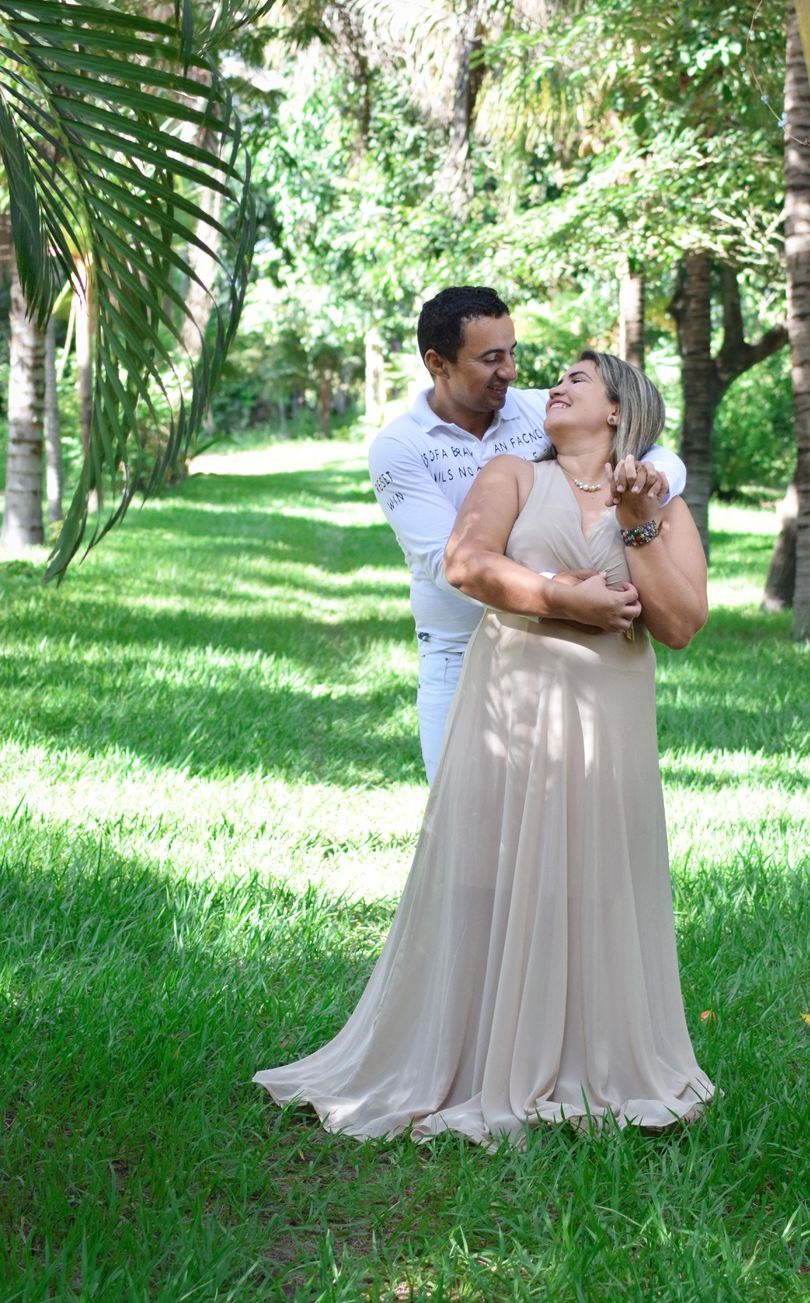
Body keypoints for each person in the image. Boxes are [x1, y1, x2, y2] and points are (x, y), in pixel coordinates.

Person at [254, 351, 714, 1142]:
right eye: (557, 378)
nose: (553, 387)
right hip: (510, 701)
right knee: (487, 869)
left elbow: (678, 624)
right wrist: (562, 599)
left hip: (607, 714)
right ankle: (471, 1054)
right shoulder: (512, 474)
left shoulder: (658, 503)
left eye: (576, 379)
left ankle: (588, 1059)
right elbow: (465, 564)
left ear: (617, 409)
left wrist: (638, 523)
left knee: (594, 877)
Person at [368, 285, 687, 782]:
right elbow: (446, 564)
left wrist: (653, 481)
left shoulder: (541, 410)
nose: (512, 372)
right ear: (438, 363)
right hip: (458, 652)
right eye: (491, 359)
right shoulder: (399, 447)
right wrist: (562, 592)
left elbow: (650, 446)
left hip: (563, 651)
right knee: (465, 809)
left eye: (511, 352)